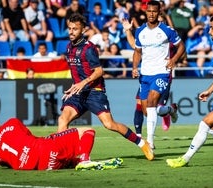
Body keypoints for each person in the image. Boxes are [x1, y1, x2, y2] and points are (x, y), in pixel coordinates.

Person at [57, 13, 154, 162]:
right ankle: (61, 157)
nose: (71, 32)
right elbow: (78, 72)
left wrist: (83, 83)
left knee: (110, 124)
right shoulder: (69, 47)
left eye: (75, 29)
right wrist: (74, 86)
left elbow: (99, 71)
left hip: (94, 92)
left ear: (83, 30)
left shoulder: (89, 48)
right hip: (78, 92)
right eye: (69, 28)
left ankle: (142, 143)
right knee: (62, 120)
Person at [166, 15, 213, 168]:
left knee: (204, 124)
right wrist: (209, 91)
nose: (209, 31)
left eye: (212, 27)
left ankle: (185, 159)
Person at [132, 1, 185, 149]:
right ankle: (170, 110)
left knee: (151, 103)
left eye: (154, 11)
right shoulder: (140, 31)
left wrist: (174, 60)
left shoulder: (167, 30)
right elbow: (137, 51)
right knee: (148, 112)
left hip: (162, 72)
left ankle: (150, 142)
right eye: (149, 11)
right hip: (145, 74)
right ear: (146, 12)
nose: (151, 14)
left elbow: (181, 46)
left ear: (159, 13)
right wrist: (135, 67)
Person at [0, 117, 123, 170]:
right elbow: (29, 136)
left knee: (64, 155)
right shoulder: (11, 122)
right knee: (87, 131)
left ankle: (75, 160)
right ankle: (84, 159)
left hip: (44, 167)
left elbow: (9, 163)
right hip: (47, 149)